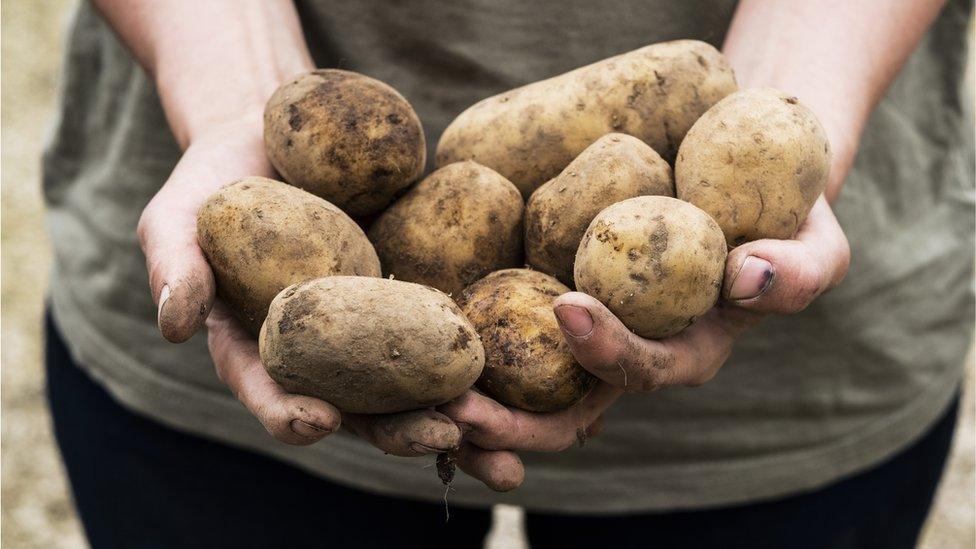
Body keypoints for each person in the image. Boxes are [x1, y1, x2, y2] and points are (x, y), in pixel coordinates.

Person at [43, 0, 973, 547]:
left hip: (795, 405)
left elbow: (753, 126)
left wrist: (793, 85)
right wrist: (231, 91)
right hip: (209, 425)